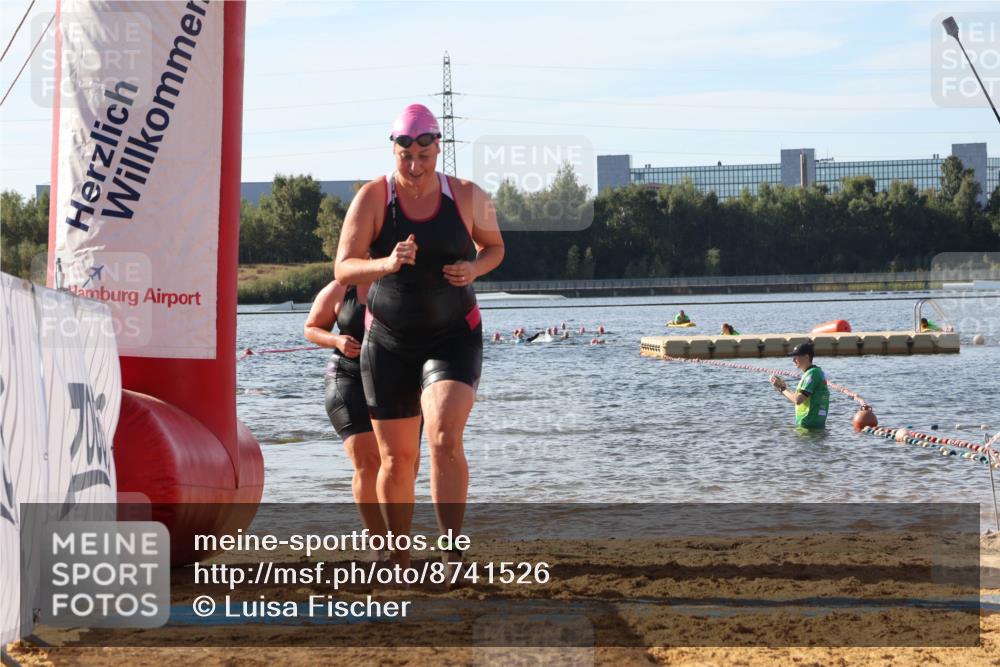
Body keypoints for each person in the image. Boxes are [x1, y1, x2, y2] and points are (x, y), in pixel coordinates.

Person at [334, 103, 504, 568]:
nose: (413, 167)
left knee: (445, 437)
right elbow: (343, 266)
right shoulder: (373, 198)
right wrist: (386, 264)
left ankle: (451, 553)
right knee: (396, 458)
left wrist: (473, 267)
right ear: (394, 151)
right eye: (404, 157)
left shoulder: (468, 196)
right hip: (388, 340)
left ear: (437, 149)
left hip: (453, 335)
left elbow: (496, 247)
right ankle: (399, 554)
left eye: (423, 157)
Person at [305, 280, 417, 555]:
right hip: (349, 377)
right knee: (368, 460)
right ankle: (379, 544)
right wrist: (337, 340)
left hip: (400, 380)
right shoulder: (341, 288)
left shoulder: (411, 280)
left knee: (404, 463)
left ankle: (398, 541)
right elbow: (311, 328)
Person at [769, 342, 829, 429]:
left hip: (809, 426)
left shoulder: (812, 374)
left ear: (807, 357)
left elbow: (798, 400)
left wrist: (782, 388)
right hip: (811, 425)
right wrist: (783, 388)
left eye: (796, 356)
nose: (793, 360)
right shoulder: (814, 372)